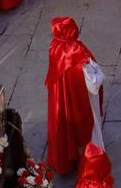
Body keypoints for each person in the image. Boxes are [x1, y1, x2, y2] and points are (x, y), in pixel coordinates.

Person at [45, 15, 107, 177]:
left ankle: (65, 156)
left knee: (64, 124)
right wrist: (100, 75)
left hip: (62, 97)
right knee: (86, 127)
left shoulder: (55, 47)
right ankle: (90, 156)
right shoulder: (76, 52)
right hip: (81, 99)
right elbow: (92, 82)